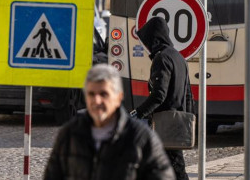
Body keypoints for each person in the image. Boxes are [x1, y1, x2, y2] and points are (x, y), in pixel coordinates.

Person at [44, 64, 174, 180]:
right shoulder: (69, 134)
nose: (97, 100)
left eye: (103, 94)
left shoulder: (140, 137)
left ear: (119, 97)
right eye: (91, 94)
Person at [132, 16, 193, 180]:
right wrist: (188, 118)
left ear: (154, 38)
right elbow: (188, 94)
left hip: (165, 123)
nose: (146, 46)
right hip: (176, 121)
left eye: (147, 41)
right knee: (172, 166)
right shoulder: (178, 57)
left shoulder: (162, 58)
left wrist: (138, 112)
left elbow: (159, 94)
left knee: (173, 167)